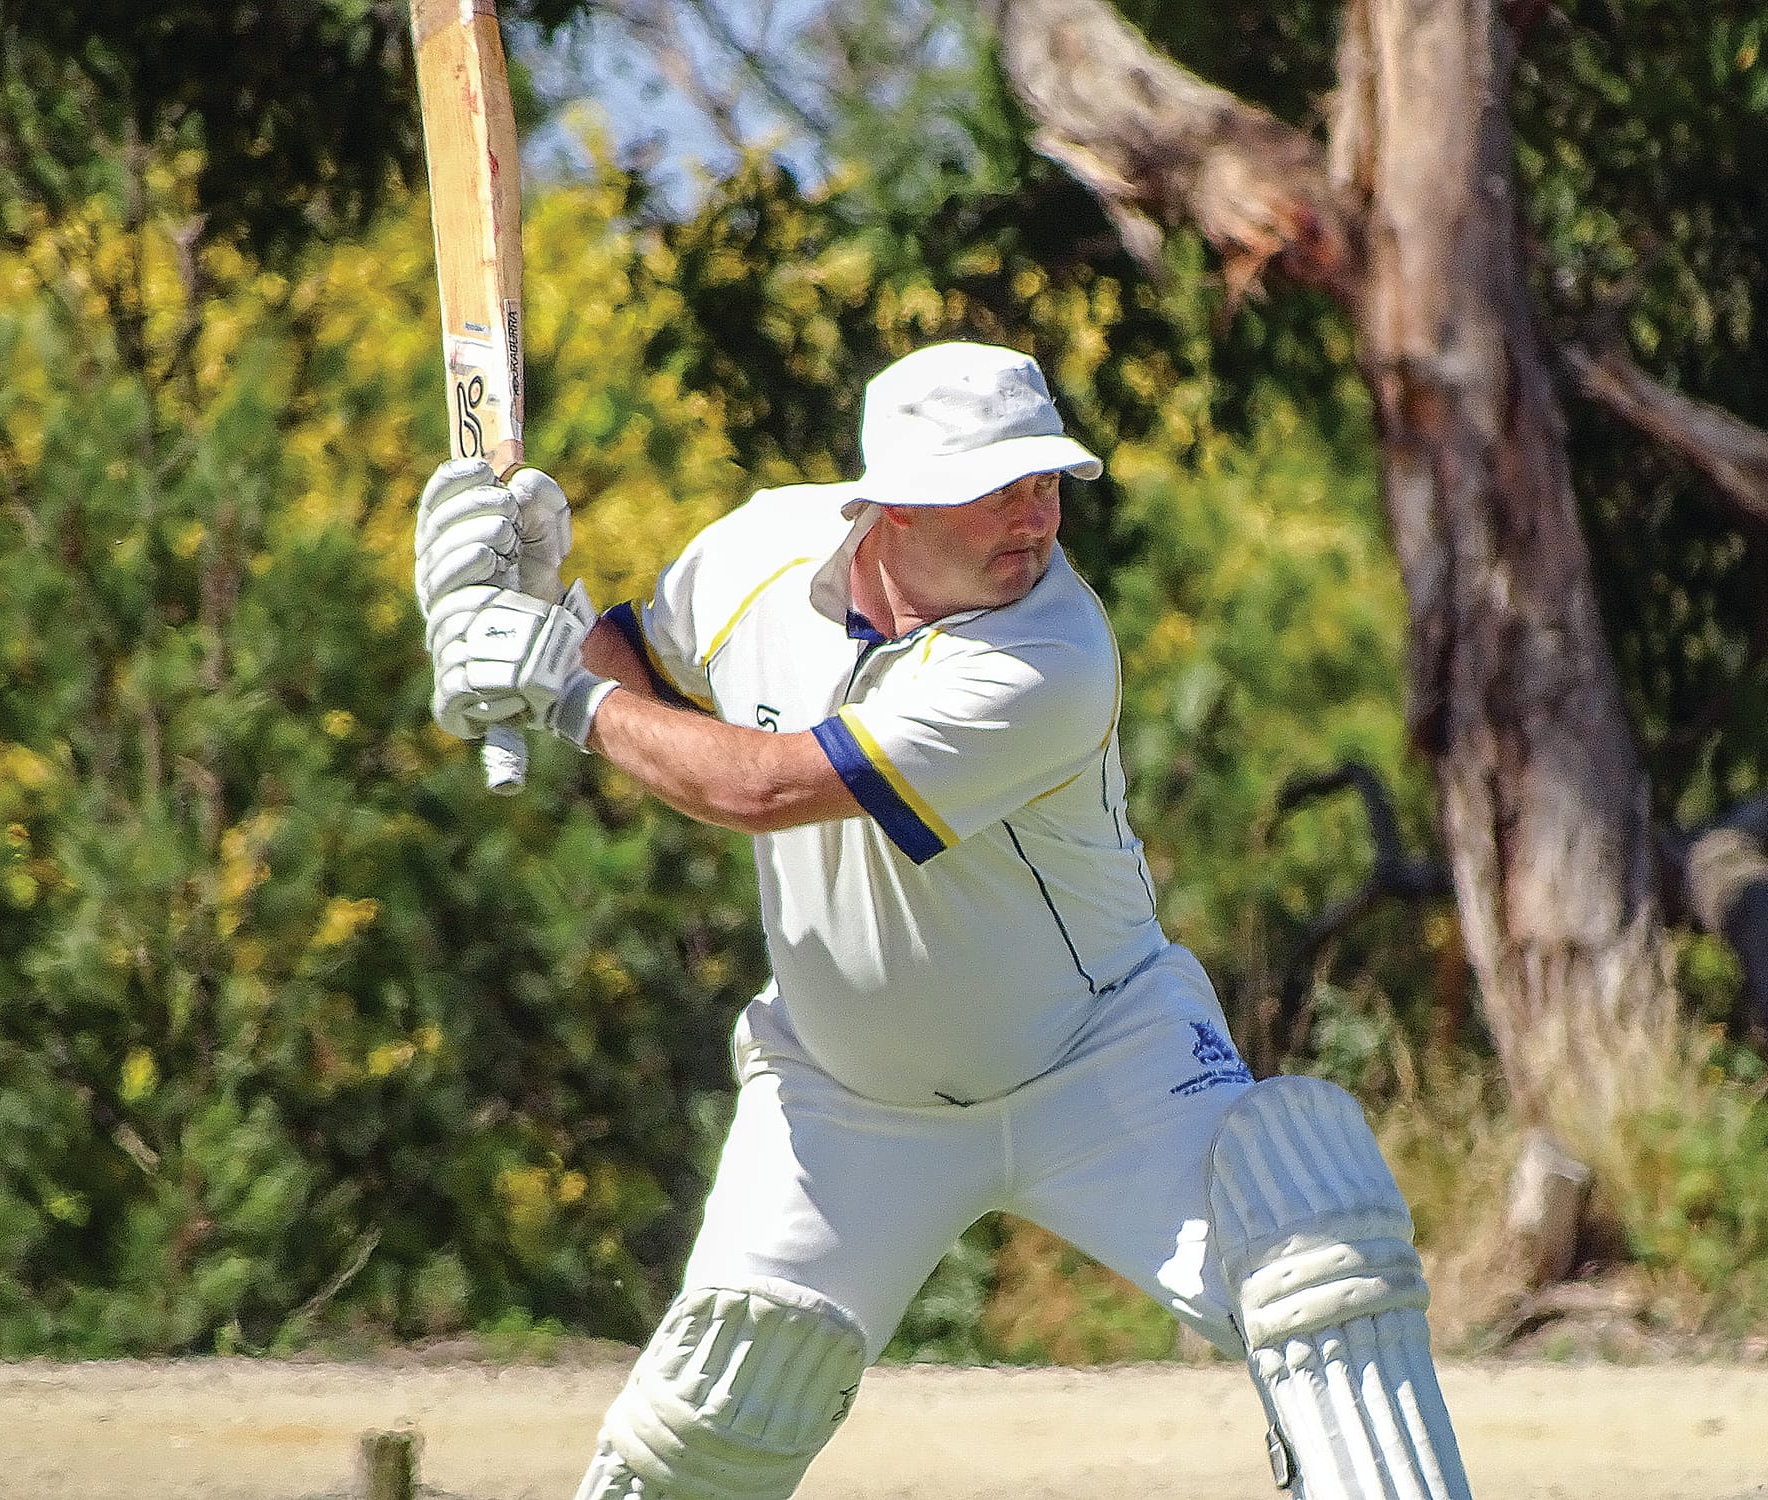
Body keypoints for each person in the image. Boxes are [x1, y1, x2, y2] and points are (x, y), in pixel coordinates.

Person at [412, 342, 1476, 1500]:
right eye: (1000, 489)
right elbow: (642, 666)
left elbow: (759, 789)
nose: (1036, 519)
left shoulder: (1048, 653)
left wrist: (563, 685)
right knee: (701, 1427)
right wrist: (523, 619)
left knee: (1315, 1244)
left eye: (1047, 483)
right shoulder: (760, 548)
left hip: (1100, 1061)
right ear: (893, 506)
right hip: (839, 1097)